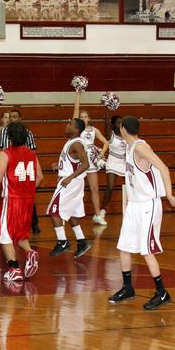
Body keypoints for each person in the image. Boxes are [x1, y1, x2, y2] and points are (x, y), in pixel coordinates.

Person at [109, 116, 175, 310]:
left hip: (147, 206)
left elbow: (163, 168)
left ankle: (162, 292)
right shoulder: (129, 147)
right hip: (134, 205)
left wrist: (169, 195)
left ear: (124, 129)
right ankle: (127, 287)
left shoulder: (140, 148)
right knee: (124, 247)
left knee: (146, 251)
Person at [0, 122, 43, 282]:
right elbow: (40, 177)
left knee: (4, 235)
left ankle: (14, 270)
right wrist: (26, 188)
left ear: (9, 137)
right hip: (28, 200)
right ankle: (30, 252)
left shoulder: (5, 154)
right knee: (19, 233)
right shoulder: (32, 154)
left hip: (12, 200)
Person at [47, 119, 92, 258]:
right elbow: (73, 162)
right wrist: (59, 165)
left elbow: (86, 164)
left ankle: (62, 242)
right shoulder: (71, 142)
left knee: (54, 211)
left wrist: (69, 177)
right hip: (74, 182)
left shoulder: (76, 144)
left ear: (77, 130)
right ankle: (82, 241)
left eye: (70, 124)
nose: (67, 125)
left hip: (69, 183)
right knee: (72, 213)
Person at [0, 109, 40, 234]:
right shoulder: (3, 131)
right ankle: (3, 223)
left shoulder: (27, 133)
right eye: (10, 116)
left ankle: (34, 223)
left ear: (20, 119)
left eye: (14, 116)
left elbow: (33, 151)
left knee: (26, 195)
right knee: (6, 195)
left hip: (22, 166)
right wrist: (0, 163)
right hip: (8, 164)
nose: (11, 119)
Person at [73, 92, 109, 225]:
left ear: (89, 119)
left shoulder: (94, 130)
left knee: (95, 189)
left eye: (85, 117)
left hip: (91, 162)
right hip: (79, 161)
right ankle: (70, 214)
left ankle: (98, 215)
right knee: (75, 189)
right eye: (81, 117)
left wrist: (100, 154)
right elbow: (76, 109)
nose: (83, 118)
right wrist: (78, 94)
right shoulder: (76, 129)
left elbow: (106, 142)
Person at [100, 116, 126, 219]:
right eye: (118, 123)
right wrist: (107, 109)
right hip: (112, 162)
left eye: (121, 122)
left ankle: (133, 208)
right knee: (110, 187)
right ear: (114, 124)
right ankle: (102, 211)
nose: (120, 124)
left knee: (131, 186)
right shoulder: (111, 135)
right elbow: (106, 125)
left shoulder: (127, 134)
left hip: (124, 163)